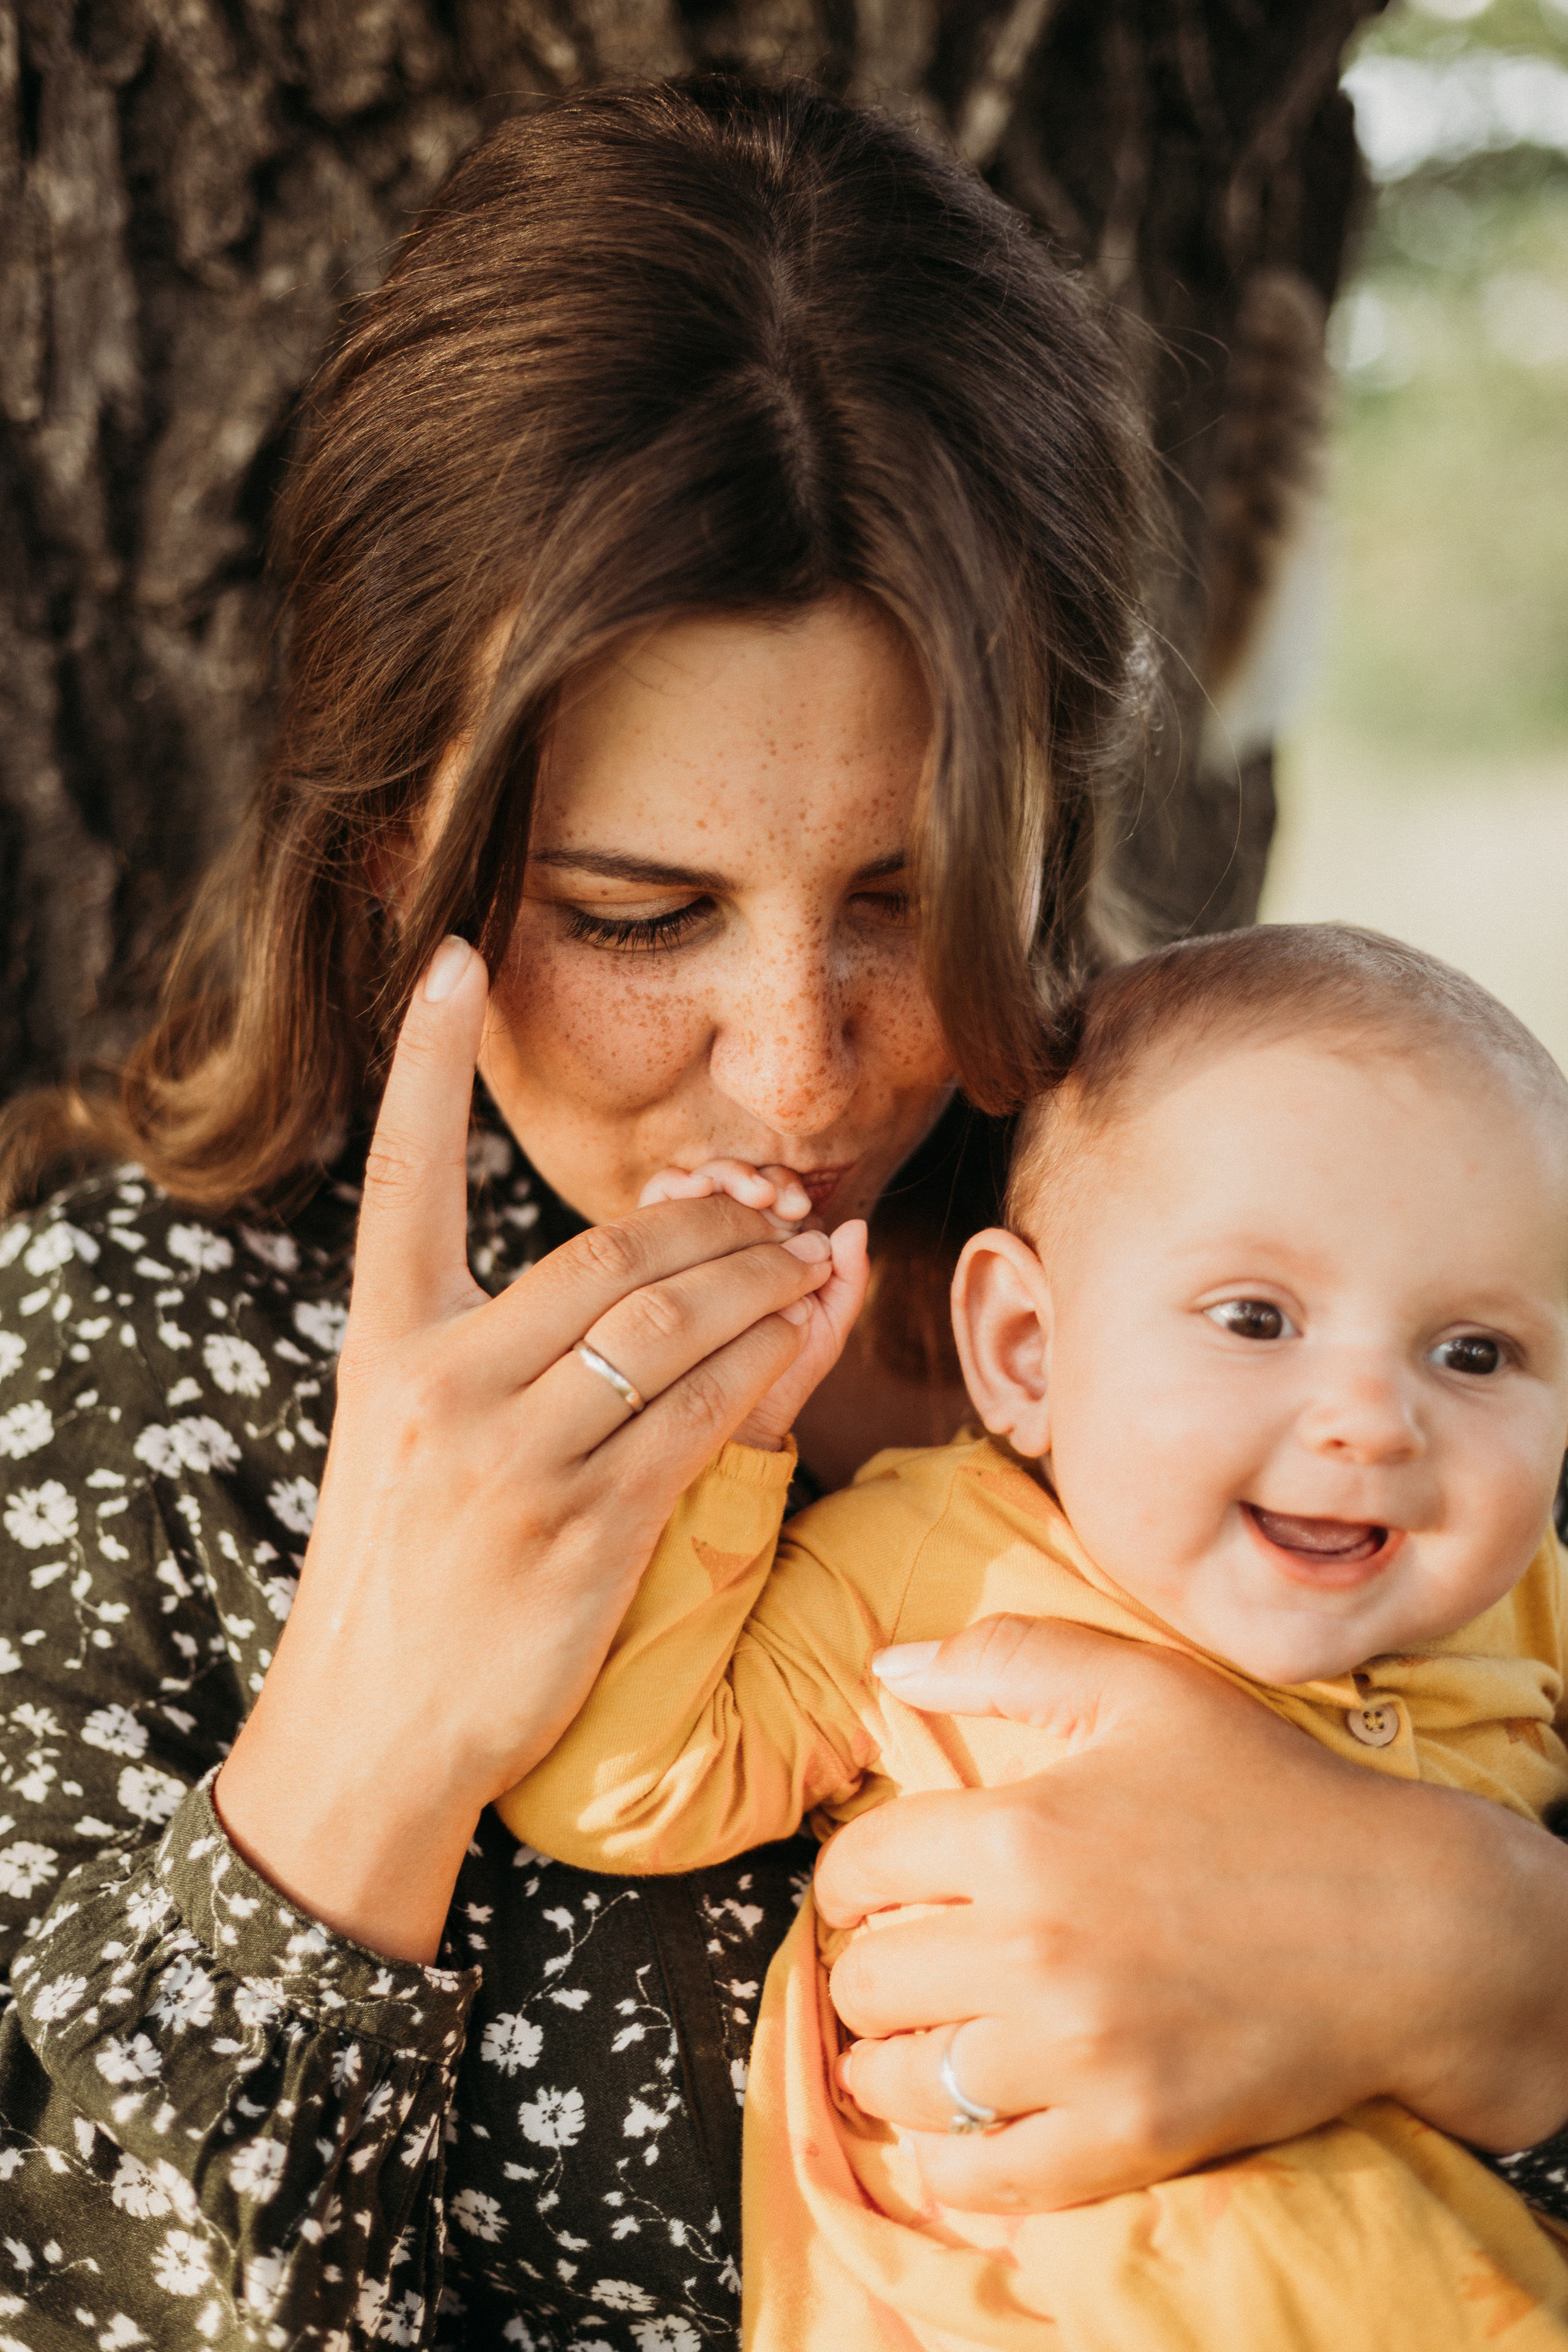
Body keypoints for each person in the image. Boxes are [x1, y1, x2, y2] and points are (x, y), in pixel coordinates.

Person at [1, 69, 1567, 2352]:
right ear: (389, 859)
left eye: (910, 899)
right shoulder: (162, 1347)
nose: (809, 1073)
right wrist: (363, 1743)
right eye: (640, 917)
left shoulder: (1303, 1234)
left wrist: (1496, 1971)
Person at [503, 924, 1568, 2351]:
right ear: (1021, 1349)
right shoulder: (938, 1565)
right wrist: (730, 1429)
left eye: (1472, 1353)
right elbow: (621, 1789)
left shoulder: (1526, 1593)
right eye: (1255, 1320)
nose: (1375, 1420)